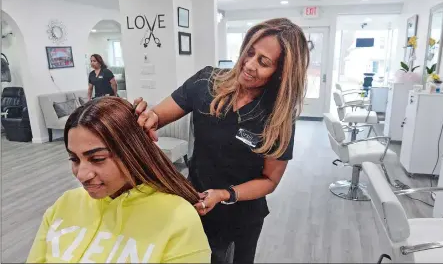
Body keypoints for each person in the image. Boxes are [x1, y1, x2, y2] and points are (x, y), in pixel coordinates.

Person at [134, 18, 310, 263]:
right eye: (249, 53)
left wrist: (224, 194)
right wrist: (146, 118)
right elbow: (157, 116)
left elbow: (270, 180)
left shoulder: (277, 116)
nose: (248, 65)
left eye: (263, 62)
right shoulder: (206, 82)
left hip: (241, 217)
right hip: (195, 203)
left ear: (281, 73)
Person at [26, 97, 211, 263]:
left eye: (97, 159)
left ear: (133, 153)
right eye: (74, 159)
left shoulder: (178, 218)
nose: (81, 175)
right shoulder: (64, 204)